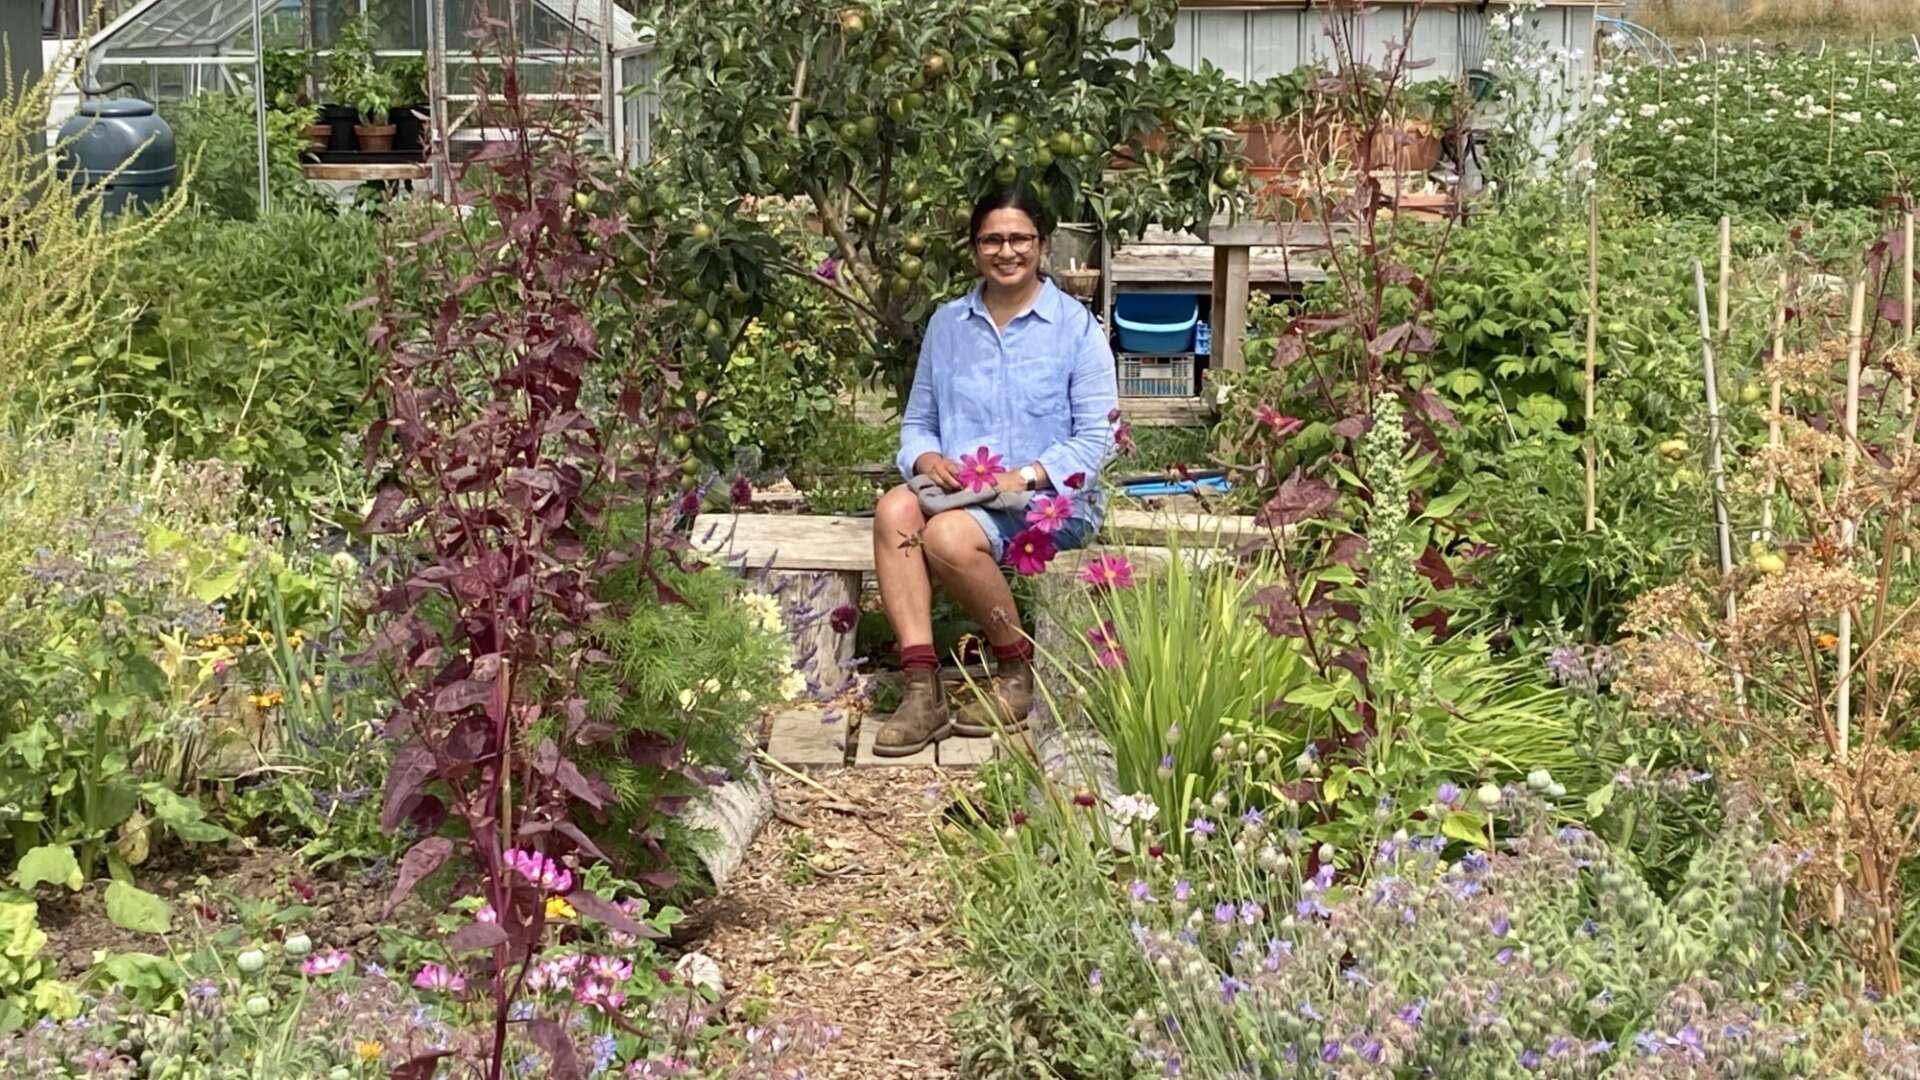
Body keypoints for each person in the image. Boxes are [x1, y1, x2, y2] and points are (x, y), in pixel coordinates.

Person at [868, 184, 1119, 757]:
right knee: (894, 510)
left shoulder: (1076, 329)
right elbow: (918, 422)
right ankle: (921, 686)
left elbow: (1097, 436)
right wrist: (925, 458)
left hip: (1049, 504)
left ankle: (1015, 669)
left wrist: (1025, 477)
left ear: (1042, 245)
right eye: (992, 240)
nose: (1007, 251)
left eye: (1020, 238)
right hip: (961, 493)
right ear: (974, 248)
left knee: (947, 535)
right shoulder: (948, 325)